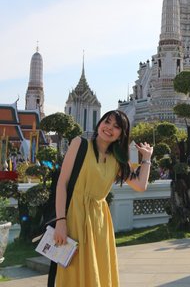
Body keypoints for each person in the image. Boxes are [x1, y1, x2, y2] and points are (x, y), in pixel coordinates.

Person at [53, 110, 153, 286]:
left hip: (99, 222)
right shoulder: (80, 144)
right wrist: (61, 221)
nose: (109, 128)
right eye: (107, 122)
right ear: (99, 123)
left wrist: (146, 158)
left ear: (121, 134)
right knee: (73, 270)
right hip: (74, 216)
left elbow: (140, 185)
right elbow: (62, 183)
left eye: (116, 127)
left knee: (98, 271)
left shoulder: (118, 160)